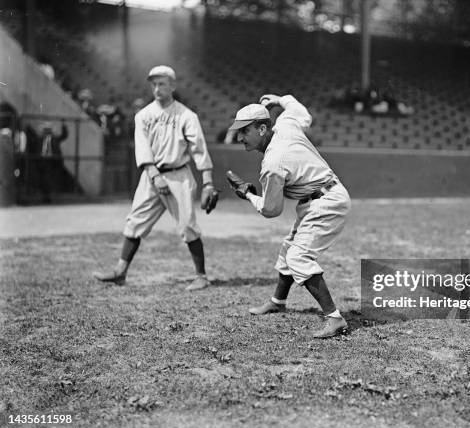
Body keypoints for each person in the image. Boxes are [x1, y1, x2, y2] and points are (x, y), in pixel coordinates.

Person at [226, 94, 351, 339]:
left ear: (262, 128)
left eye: (245, 131)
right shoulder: (285, 123)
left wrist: (249, 195)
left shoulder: (273, 161)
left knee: (298, 256)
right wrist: (281, 99)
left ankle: (335, 318)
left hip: (327, 203)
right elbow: (300, 110)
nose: (240, 137)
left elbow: (272, 210)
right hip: (319, 199)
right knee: (288, 248)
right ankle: (278, 301)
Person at [93, 65, 219, 291]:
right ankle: (120, 272)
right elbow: (142, 148)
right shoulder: (143, 115)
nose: (157, 88)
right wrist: (154, 175)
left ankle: (201, 276)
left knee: (187, 225)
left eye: (162, 83)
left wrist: (208, 181)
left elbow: (199, 149)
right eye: (154, 83)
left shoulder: (187, 115)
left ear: (173, 86)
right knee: (134, 222)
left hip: (179, 174)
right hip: (152, 175)